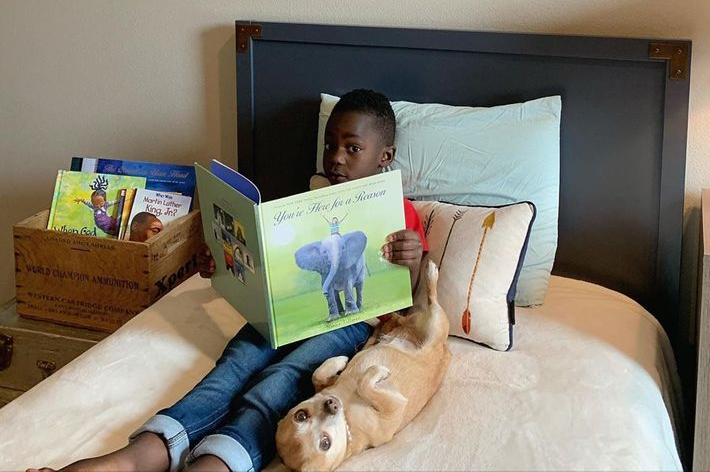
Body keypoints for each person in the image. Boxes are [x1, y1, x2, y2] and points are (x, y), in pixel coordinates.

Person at [30, 89, 426, 472]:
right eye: (329, 145)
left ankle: (219, 461)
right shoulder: (300, 206)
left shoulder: (400, 212)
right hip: (279, 315)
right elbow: (268, 267)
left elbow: (409, 298)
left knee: (285, 377)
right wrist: (220, 262)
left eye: (352, 148)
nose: (336, 157)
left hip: (346, 322)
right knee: (234, 366)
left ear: (384, 156)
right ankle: (139, 455)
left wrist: (410, 262)